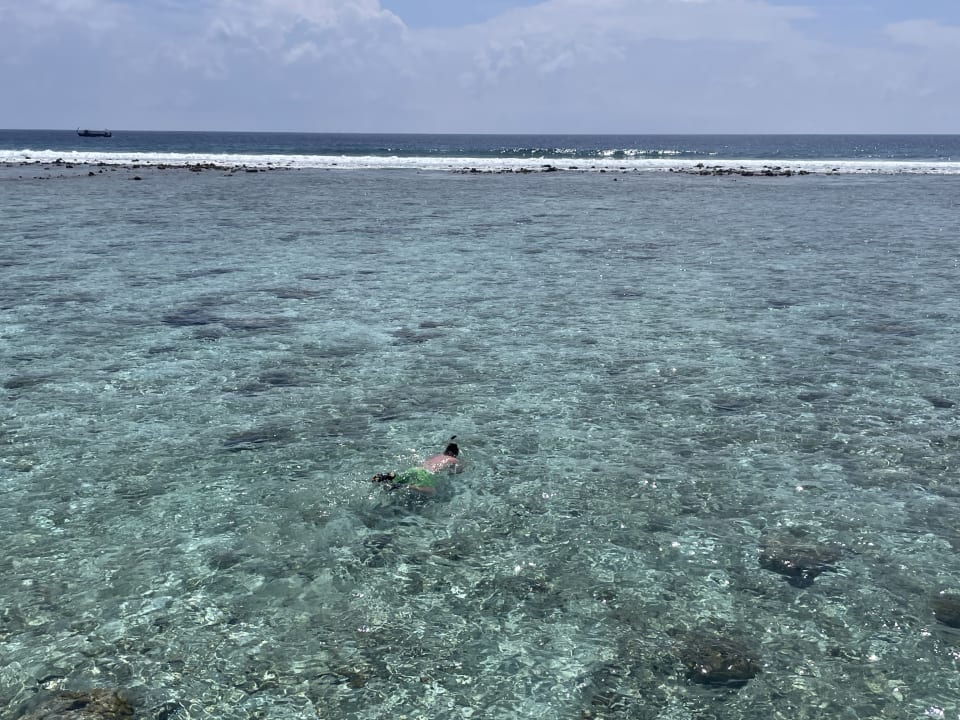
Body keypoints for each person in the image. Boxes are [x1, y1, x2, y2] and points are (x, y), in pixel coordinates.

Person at [372, 436, 461, 494]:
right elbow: (458, 471)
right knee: (431, 491)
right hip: (425, 473)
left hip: (415, 469)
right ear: (451, 453)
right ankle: (405, 486)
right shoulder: (452, 459)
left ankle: (392, 476)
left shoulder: (436, 456)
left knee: (400, 479)